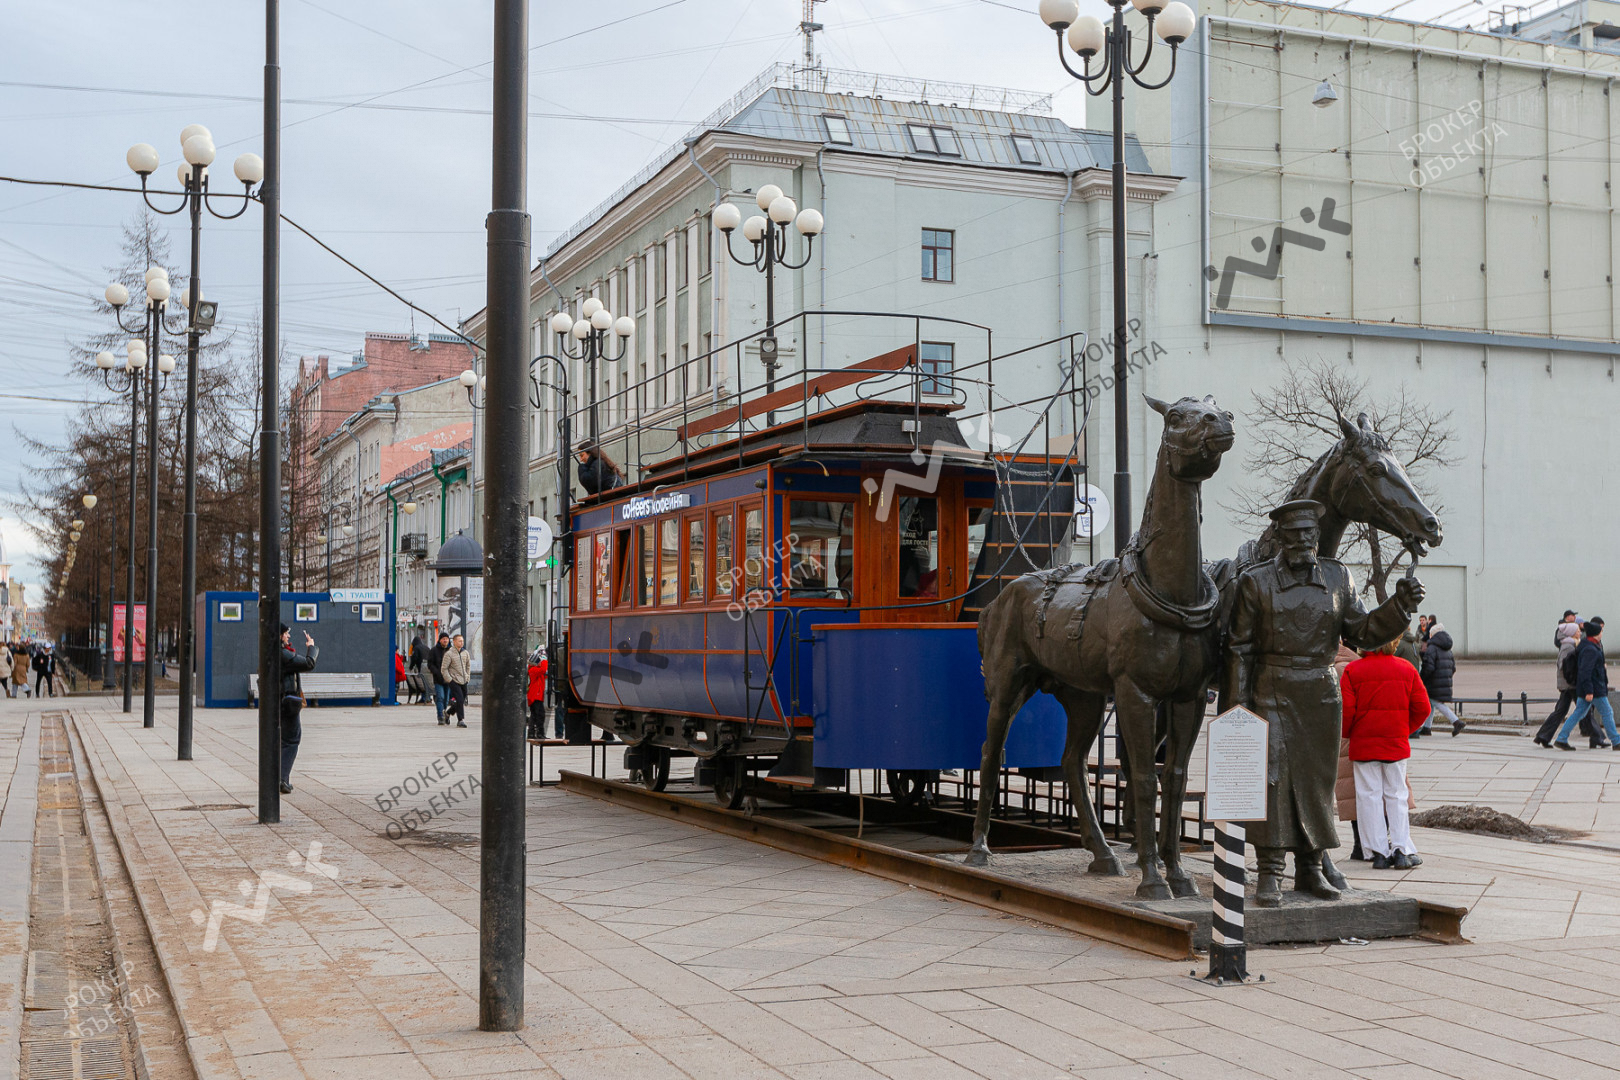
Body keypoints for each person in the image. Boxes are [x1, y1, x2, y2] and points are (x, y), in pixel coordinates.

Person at [1226, 499, 1421, 907]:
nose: (1304, 541)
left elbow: (1364, 631)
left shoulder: (1337, 577)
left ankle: (1311, 868)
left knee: (1317, 783)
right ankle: (1269, 872)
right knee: (1274, 781)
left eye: (1309, 534)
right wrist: (1235, 710)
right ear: (1280, 537)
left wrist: (1400, 606)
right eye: (1295, 534)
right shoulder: (1255, 582)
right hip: (1270, 689)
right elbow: (1239, 649)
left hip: (1319, 692)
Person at [1342, 637, 1431, 869]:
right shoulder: (1406, 668)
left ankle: (1377, 853)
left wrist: (1350, 733)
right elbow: (1423, 708)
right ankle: (1401, 849)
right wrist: (1404, 729)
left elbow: (1346, 712)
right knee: (1397, 795)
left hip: (1364, 745)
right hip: (1395, 744)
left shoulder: (1352, 671)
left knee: (1368, 797)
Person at [1555, 618, 1619, 750]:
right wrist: (1589, 691)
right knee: (1607, 712)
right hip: (1594, 689)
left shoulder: (1588, 645)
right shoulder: (1590, 649)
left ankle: (1561, 738)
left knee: (1579, 713)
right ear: (1596, 633)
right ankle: (1616, 741)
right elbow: (1585, 672)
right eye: (1601, 631)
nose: (1602, 633)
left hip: (1589, 688)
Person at [1537, 621, 1598, 747]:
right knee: (1584, 709)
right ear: (1571, 633)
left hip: (1568, 684)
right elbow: (1564, 666)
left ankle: (1543, 736)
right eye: (1577, 631)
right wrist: (1574, 678)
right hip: (1570, 684)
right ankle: (1596, 737)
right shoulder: (1568, 646)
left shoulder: (1571, 644)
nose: (1580, 633)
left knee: (1562, 710)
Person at [278, 624, 319, 794]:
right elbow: (309, 663)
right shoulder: (284, 654)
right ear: (279, 635)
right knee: (291, 740)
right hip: (287, 702)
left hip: (277, 702)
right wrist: (311, 647)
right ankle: (282, 779)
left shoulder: (273, 652)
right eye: (286, 634)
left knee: (282, 741)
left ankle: (279, 777)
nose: (288, 636)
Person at [1418, 616, 1462, 737]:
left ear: (1433, 635)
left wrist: (1422, 679)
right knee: (1431, 703)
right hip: (1444, 681)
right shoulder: (1447, 649)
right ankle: (1427, 727)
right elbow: (1453, 667)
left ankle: (1456, 721)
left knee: (1436, 702)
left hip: (1433, 682)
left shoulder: (1432, 648)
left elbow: (1428, 667)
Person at [441, 633, 471, 728]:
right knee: (459, 698)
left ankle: (448, 713)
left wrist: (467, 676)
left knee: (461, 700)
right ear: (454, 642)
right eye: (459, 641)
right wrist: (449, 680)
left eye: (462, 641)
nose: (461, 643)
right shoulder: (449, 654)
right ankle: (460, 720)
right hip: (454, 680)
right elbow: (444, 669)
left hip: (464, 680)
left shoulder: (465, 653)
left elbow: (468, 665)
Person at [427, 632, 450, 724]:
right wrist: (436, 673)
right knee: (440, 697)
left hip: (449, 679)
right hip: (438, 679)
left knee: (446, 699)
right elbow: (430, 664)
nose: (445, 640)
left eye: (446, 639)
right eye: (443, 639)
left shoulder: (451, 650)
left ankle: (445, 714)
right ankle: (440, 716)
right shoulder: (434, 650)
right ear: (440, 640)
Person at [526, 648, 548, 740]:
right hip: (535, 696)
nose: (540, 662)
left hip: (535, 696)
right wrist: (545, 660)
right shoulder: (533, 670)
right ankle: (540, 733)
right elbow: (543, 670)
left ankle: (531, 733)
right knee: (540, 715)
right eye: (538, 661)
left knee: (534, 715)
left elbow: (544, 675)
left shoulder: (534, 670)